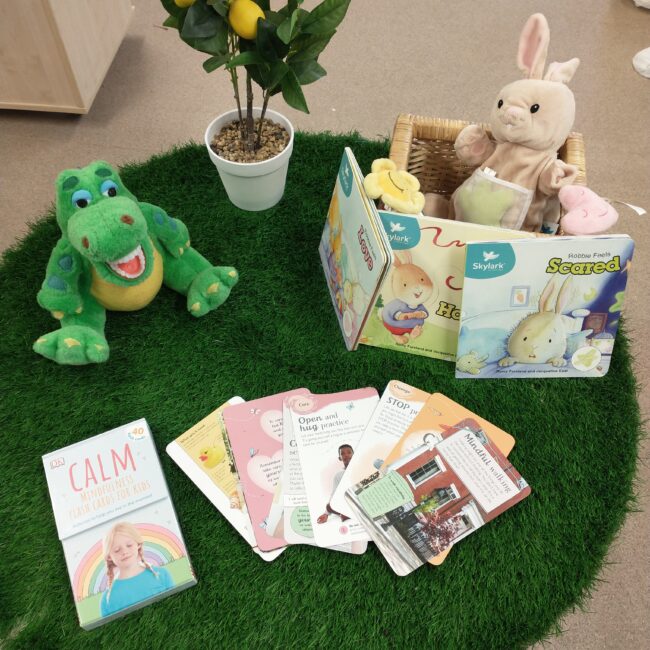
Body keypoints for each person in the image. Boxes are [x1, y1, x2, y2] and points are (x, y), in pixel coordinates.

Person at [100, 522, 174, 617]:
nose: (124, 552)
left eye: (129, 545)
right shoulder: (107, 599)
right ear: (109, 556)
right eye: (117, 550)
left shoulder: (161, 574)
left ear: (138, 544)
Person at [316, 444, 353, 524]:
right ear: (340, 458)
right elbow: (334, 494)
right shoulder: (338, 475)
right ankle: (345, 513)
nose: (346, 455)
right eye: (342, 453)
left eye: (349, 452)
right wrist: (326, 514)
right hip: (349, 502)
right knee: (329, 506)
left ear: (353, 454)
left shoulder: (360, 468)